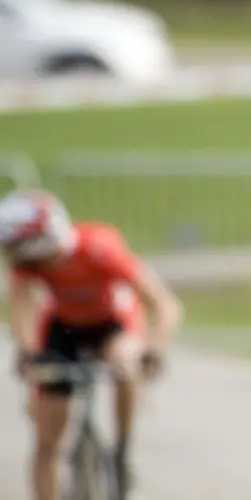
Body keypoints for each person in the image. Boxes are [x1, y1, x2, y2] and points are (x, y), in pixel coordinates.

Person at [1, 188, 183, 500]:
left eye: (18, 248)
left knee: (125, 364)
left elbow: (164, 303)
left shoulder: (98, 247)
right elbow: (22, 310)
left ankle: (123, 449)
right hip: (64, 328)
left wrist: (154, 348)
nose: (14, 257)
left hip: (113, 325)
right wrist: (29, 352)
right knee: (47, 440)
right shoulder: (28, 265)